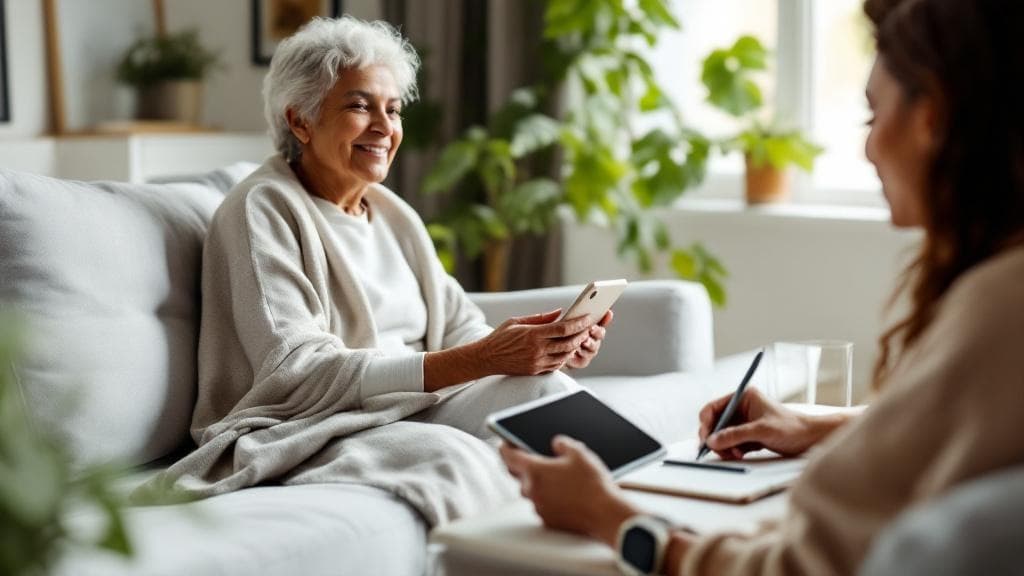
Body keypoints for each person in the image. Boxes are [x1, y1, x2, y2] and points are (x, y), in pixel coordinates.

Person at [500, 0, 1024, 573]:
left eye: (872, 116)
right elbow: (956, 434)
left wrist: (609, 516)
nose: (868, 148)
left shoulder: (998, 309)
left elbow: (795, 567)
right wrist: (815, 427)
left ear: (933, 115)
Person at [144, 17, 610, 523]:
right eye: (360, 105)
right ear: (300, 120)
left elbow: (461, 327)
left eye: (392, 109)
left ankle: (629, 534)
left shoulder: (392, 213)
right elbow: (295, 374)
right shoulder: (262, 209)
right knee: (454, 461)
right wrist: (481, 359)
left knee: (553, 398)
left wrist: (536, 351)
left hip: (415, 403)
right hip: (321, 420)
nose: (385, 128)